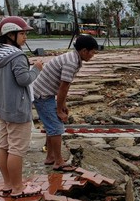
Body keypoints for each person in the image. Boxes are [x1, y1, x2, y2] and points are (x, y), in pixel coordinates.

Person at [0, 17, 44, 198]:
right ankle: (18, 188)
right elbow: (24, 80)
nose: (25, 37)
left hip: (2, 106)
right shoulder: (18, 56)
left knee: (3, 146)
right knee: (17, 149)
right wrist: (36, 68)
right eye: (22, 33)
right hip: (17, 108)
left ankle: (8, 184)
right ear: (10, 34)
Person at [32, 35, 99, 170]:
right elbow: (63, 87)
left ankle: (50, 157)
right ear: (84, 51)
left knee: (51, 127)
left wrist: (63, 105)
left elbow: (62, 88)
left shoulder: (73, 58)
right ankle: (58, 162)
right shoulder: (71, 62)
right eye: (92, 52)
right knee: (56, 128)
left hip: (45, 93)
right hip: (43, 95)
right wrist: (59, 109)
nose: (93, 55)